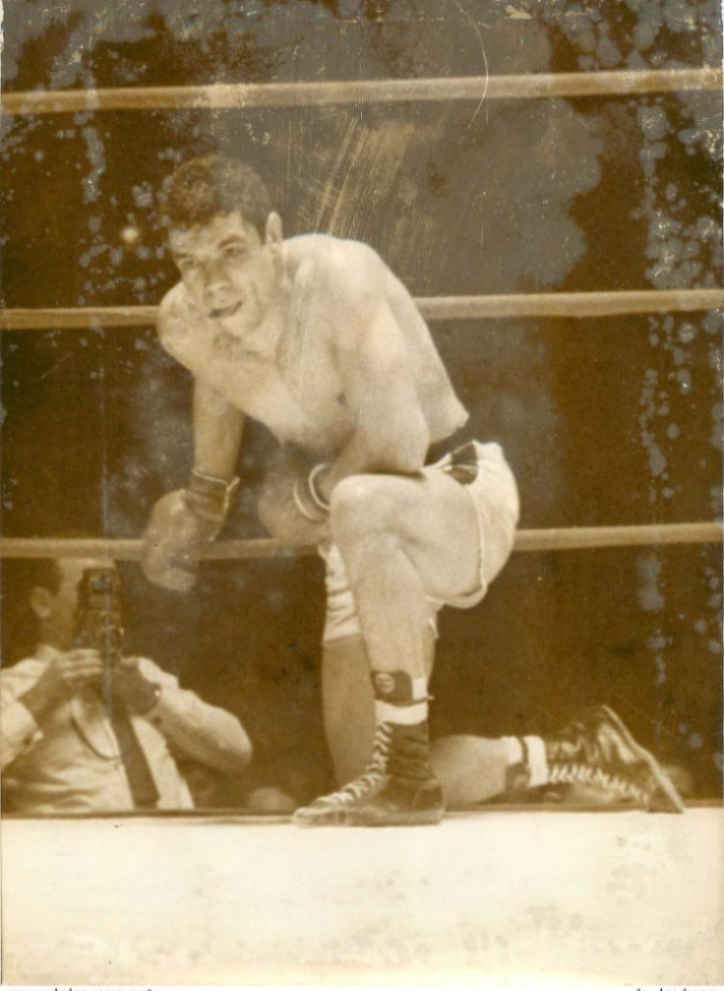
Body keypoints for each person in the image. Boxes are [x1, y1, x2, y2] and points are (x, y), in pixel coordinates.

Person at [142, 155, 684, 825]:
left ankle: (414, 764)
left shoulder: (338, 278)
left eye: (231, 251)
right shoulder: (187, 319)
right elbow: (219, 373)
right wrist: (203, 497)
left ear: (274, 237)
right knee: (369, 775)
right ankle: (571, 752)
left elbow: (398, 440)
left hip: (446, 486)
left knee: (356, 503)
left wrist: (301, 505)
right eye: (189, 262)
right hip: (352, 522)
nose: (213, 282)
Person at [1, 557, 253, 814]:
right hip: (75, 849)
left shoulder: (142, 673)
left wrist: (153, 699)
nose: (106, 603)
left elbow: (238, 754)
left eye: (112, 588)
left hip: (170, 843)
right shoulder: (12, 685)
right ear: (42, 603)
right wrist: (36, 702)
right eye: (91, 589)